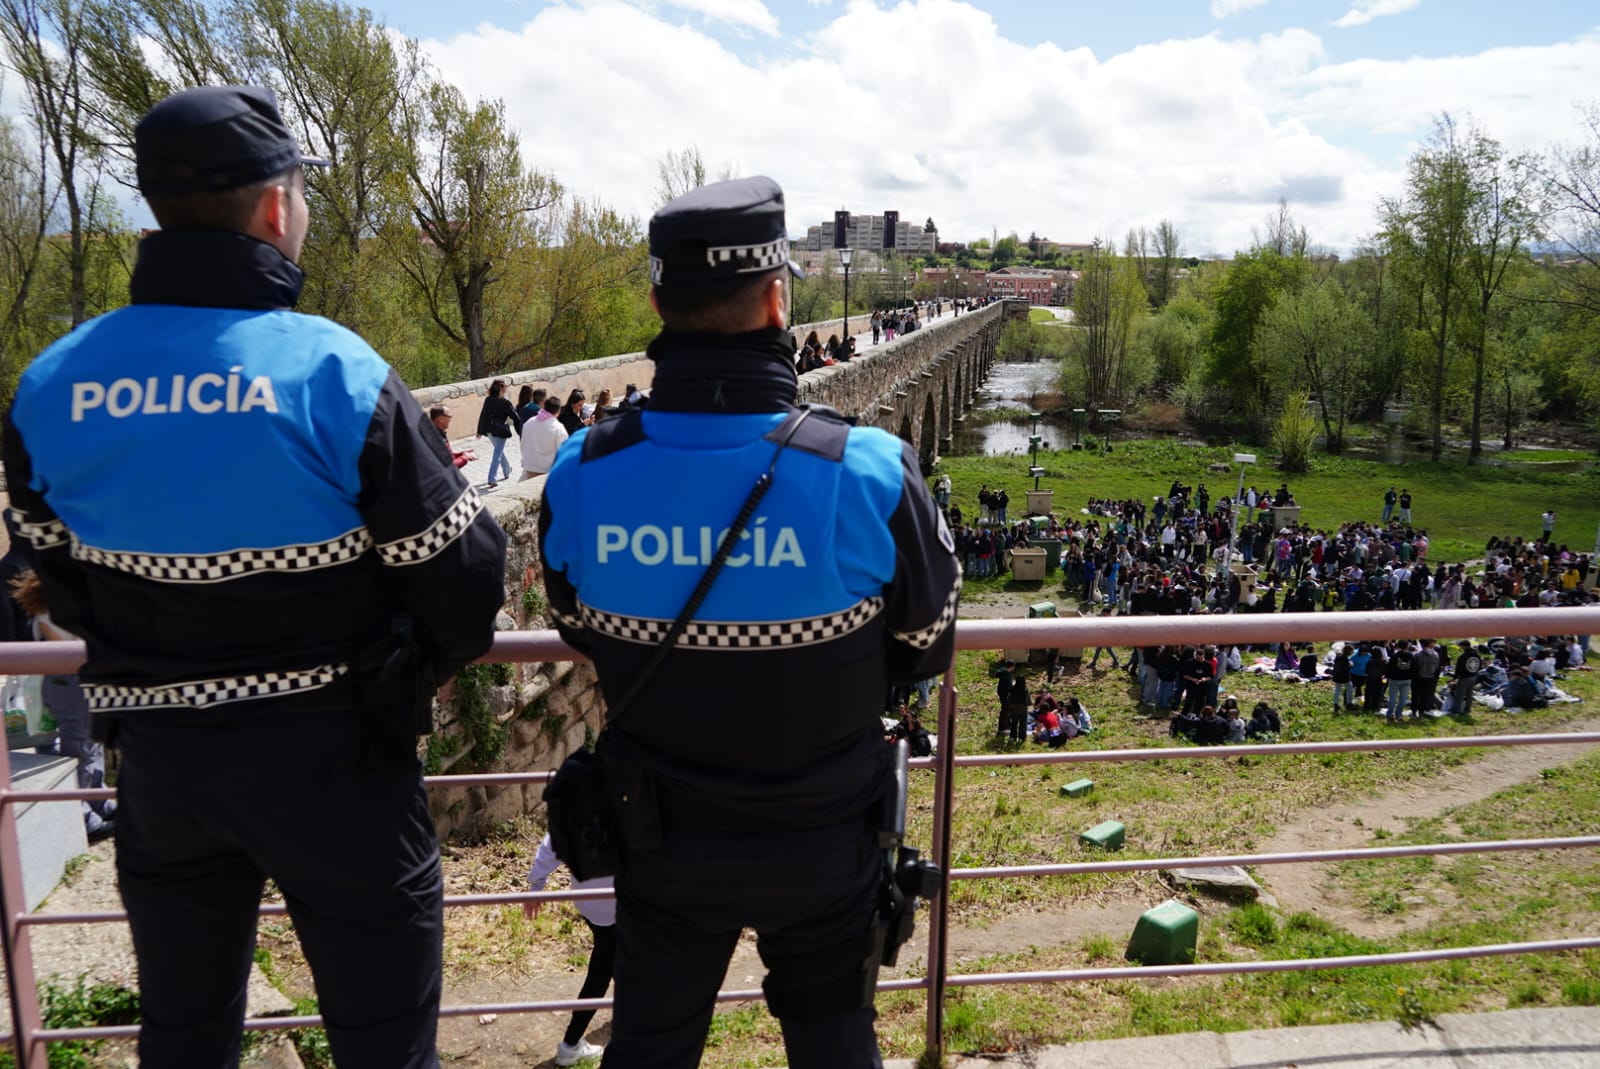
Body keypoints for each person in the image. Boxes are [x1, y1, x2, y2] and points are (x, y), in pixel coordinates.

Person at [6, 86, 508, 1068]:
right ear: (278, 208)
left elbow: (53, 575)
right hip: (339, 765)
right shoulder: (333, 370)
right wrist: (407, 665)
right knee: (384, 1041)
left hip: (162, 766)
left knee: (185, 1036)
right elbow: (462, 580)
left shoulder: (51, 382)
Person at [539, 175, 960, 1069]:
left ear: (657, 301)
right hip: (825, 840)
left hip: (658, 833)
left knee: (648, 1047)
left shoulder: (584, 468)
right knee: (835, 1043)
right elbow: (929, 641)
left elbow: (576, 622)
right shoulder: (870, 470)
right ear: (778, 298)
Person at [525, 833, 615, 1067]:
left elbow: (550, 845)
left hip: (586, 901)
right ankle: (570, 1044)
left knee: (613, 955)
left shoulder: (573, 807)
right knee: (601, 971)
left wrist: (536, 885)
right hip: (618, 907)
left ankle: (630, 1006)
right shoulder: (624, 806)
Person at [477, 377, 523, 487]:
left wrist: (479, 430)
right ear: (501, 388)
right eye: (505, 386)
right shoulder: (504, 402)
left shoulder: (488, 399)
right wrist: (520, 430)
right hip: (500, 430)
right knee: (498, 452)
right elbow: (515, 417)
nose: (506, 387)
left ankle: (507, 470)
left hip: (489, 430)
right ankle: (491, 478)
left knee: (499, 451)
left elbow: (483, 415)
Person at [520, 395, 570, 480]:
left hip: (530, 467)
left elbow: (522, 444)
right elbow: (564, 451)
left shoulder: (529, 422)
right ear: (558, 411)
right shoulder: (558, 427)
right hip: (547, 471)